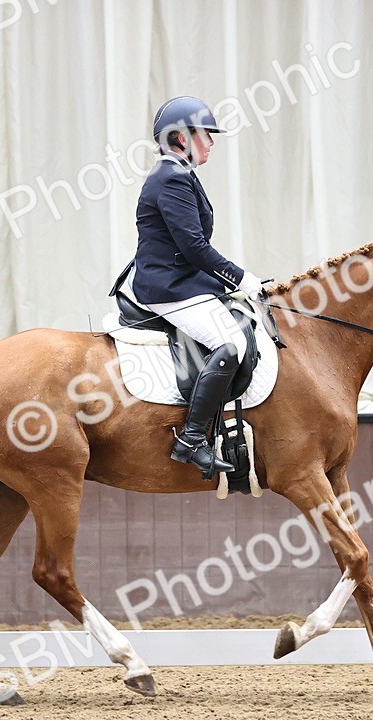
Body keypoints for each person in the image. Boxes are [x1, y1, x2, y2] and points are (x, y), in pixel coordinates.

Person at [123, 96, 264, 476]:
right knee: (229, 344)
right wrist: (239, 277)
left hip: (183, 279)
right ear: (181, 138)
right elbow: (194, 247)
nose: (212, 143)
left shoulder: (181, 175)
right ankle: (191, 438)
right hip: (167, 287)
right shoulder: (170, 179)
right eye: (206, 136)